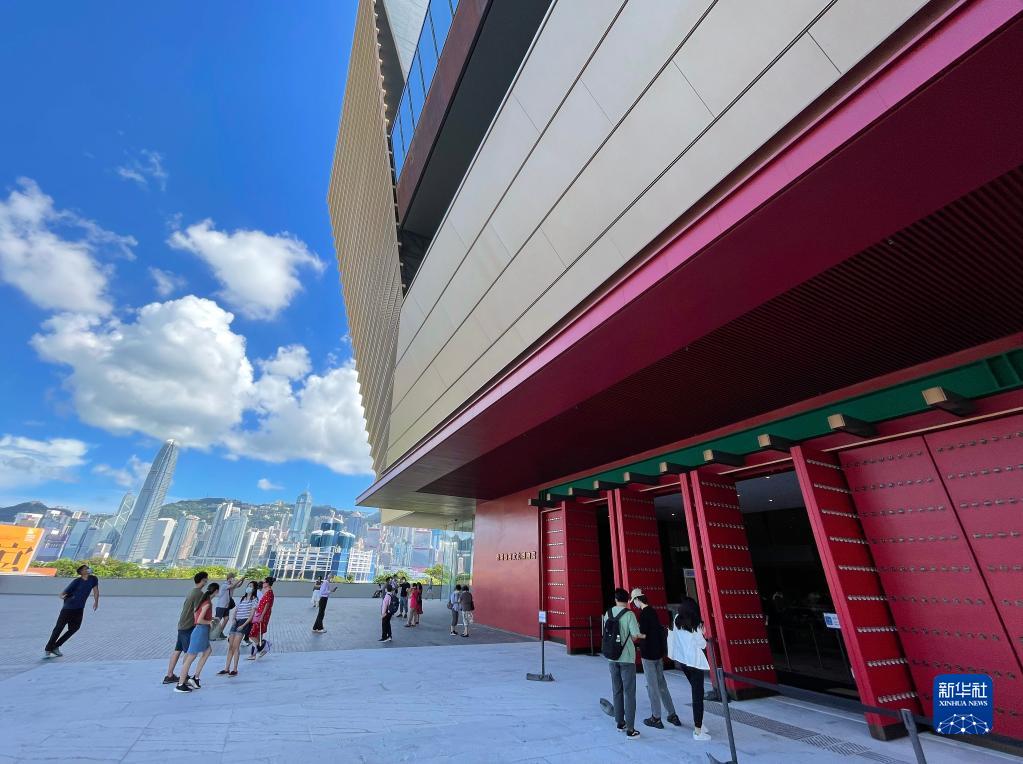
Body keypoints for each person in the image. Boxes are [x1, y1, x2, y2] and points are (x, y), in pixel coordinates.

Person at [630, 589, 681, 730]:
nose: (634, 604)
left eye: (634, 601)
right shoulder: (653, 611)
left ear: (637, 599)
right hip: (658, 654)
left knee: (652, 686)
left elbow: (644, 635)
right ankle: (672, 714)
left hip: (648, 655)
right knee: (662, 685)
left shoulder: (643, 614)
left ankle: (656, 718)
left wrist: (634, 634)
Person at [668, 597, 712, 741]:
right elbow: (702, 645)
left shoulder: (676, 619)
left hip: (683, 662)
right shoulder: (695, 624)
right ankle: (698, 730)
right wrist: (703, 632)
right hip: (695, 663)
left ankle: (700, 724)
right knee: (697, 696)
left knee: (695, 692)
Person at [604, 587, 643, 739]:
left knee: (617, 690)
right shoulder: (629, 614)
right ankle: (631, 729)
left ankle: (620, 722)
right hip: (626, 658)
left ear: (615, 599)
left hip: (612, 658)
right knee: (629, 693)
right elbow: (635, 636)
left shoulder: (607, 614)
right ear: (627, 600)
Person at [44, 564, 99, 657]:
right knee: (59, 628)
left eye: (88, 568)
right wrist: (65, 597)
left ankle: (56, 646)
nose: (89, 569)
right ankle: (48, 649)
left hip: (79, 609)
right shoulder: (76, 581)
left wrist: (96, 602)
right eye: (86, 568)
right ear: (82, 572)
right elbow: (62, 594)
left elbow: (96, 591)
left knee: (74, 628)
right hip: (68, 609)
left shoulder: (93, 579)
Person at [163, 571, 209, 685]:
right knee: (189, 653)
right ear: (203, 580)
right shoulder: (199, 594)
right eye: (206, 579)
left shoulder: (191, 591)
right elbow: (197, 612)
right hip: (188, 626)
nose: (207, 581)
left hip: (182, 624)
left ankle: (169, 675)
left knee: (177, 650)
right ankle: (184, 677)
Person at [175, 582, 218, 692]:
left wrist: (210, 619)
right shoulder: (207, 603)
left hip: (201, 632)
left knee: (207, 651)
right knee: (190, 658)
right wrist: (209, 622)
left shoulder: (203, 602)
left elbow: (197, 615)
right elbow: (199, 620)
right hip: (200, 632)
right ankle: (180, 684)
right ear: (216, 592)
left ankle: (195, 677)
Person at [219, 580, 257, 677]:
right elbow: (236, 610)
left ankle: (235, 669)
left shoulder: (254, 599)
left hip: (243, 622)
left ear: (254, 589)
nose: (249, 587)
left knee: (236, 646)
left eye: (251, 586)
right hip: (236, 622)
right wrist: (233, 619)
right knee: (230, 646)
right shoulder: (242, 598)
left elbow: (251, 615)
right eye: (248, 585)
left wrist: (243, 625)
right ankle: (226, 668)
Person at [211, 572, 245, 641]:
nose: (234, 579)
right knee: (217, 620)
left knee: (226, 619)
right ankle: (211, 634)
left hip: (227, 606)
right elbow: (232, 586)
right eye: (233, 578)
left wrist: (242, 580)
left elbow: (238, 585)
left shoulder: (231, 585)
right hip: (221, 605)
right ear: (229, 578)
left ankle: (220, 632)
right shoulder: (224, 585)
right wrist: (240, 579)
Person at [247, 577, 276, 660]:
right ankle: (258, 651)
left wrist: (262, 616)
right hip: (260, 614)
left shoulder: (269, 593)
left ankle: (265, 645)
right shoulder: (267, 592)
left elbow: (267, 605)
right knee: (257, 635)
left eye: (264, 582)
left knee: (252, 634)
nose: (262, 584)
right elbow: (263, 605)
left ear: (267, 583)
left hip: (261, 616)